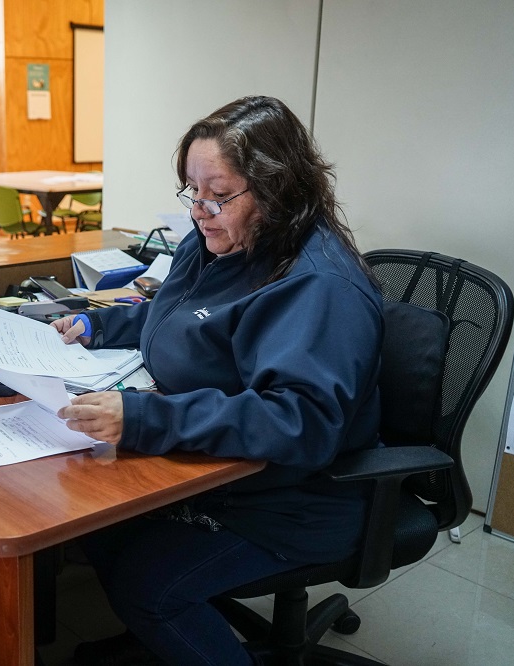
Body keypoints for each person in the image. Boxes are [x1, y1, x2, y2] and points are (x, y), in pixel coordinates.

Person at [52, 96, 384, 665]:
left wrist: (144, 417)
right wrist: (98, 323)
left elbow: (298, 421)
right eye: (192, 191)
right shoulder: (218, 239)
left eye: (219, 193)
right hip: (222, 469)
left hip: (297, 495)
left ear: (277, 189)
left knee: (145, 586)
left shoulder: (318, 286)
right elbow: (184, 318)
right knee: (92, 528)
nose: (200, 210)